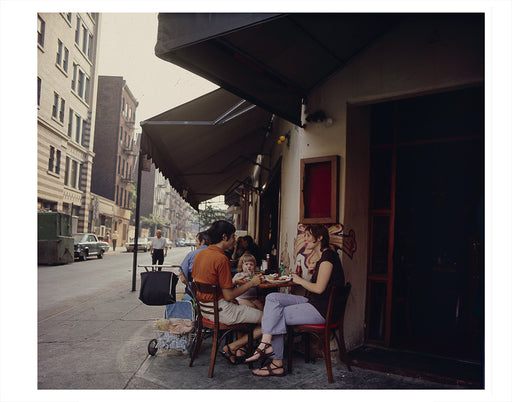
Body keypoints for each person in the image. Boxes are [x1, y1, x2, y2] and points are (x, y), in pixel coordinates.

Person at [245, 224, 345, 377]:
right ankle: (266, 344)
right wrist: (314, 271)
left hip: (322, 310)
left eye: (308, 235)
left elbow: (319, 289)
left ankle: (276, 362)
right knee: (272, 298)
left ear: (320, 238)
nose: (304, 239)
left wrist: (298, 280)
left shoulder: (328, 257)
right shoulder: (323, 258)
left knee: (277, 314)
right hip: (314, 303)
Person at [192, 220, 264, 364]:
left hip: (205, 311)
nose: (235, 240)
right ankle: (233, 346)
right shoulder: (221, 258)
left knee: (246, 307)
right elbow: (229, 295)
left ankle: (238, 347)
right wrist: (252, 283)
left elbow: (209, 284)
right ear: (224, 237)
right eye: (233, 236)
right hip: (222, 311)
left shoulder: (199, 254)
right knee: (270, 319)